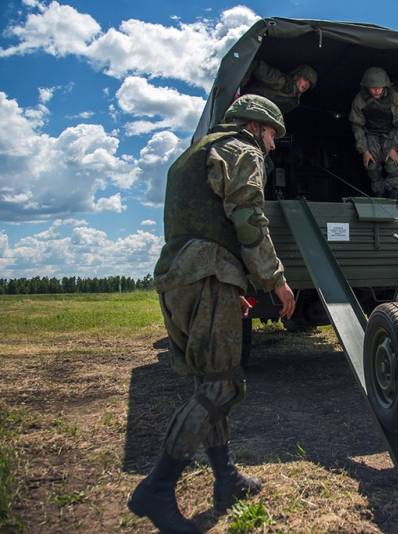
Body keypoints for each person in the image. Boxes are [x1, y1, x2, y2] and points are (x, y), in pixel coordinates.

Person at [128, 94, 296, 533]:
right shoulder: (240, 150)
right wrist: (274, 279)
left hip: (184, 274)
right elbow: (248, 218)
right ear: (255, 126)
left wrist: (229, 284)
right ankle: (157, 488)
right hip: (206, 276)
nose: (273, 146)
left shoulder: (192, 155)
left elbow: (204, 222)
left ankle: (226, 479)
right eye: (272, 135)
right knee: (220, 387)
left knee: (213, 381)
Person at [349, 66, 398, 199]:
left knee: (392, 165)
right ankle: (379, 194)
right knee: (371, 166)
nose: (376, 90)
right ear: (366, 87)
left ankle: (394, 193)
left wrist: (394, 148)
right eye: (372, 87)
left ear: (385, 86)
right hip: (371, 134)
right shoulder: (360, 99)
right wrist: (364, 151)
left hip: (391, 133)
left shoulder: (395, 98)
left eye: (379, 87)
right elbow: (357, 126)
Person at [242, 62, 317, 114]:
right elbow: (256, 65)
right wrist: (239, 87)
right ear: (297, 76)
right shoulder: (280, 80)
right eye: (305, 80)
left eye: (309, 84)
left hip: (256, 114)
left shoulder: (294, 103)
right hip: (244, 103)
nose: (307, 85)